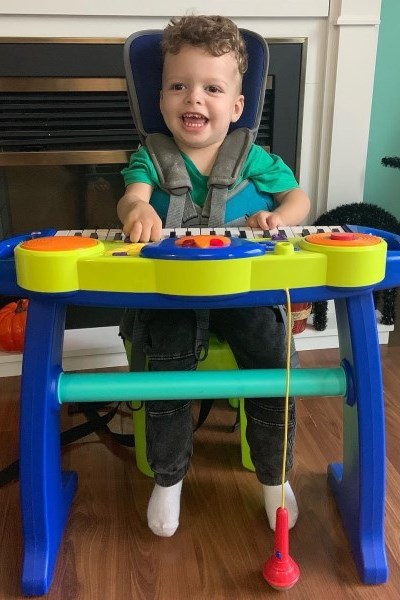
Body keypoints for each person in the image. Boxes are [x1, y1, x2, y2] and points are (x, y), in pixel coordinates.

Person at [118, 15, 311, 538]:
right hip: (174, 294)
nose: (193, 99)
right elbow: (132, 196)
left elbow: (299, 199)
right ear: (161, 101)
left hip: (245, 289)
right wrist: (136, 213)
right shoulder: (151, 159)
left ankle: (274, 479)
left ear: (237, 105)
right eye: (178, 86)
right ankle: (169, 477)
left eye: (211, 88)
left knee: (275, 361)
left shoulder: (255, 160)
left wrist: (281, 217)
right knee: (167, 362)